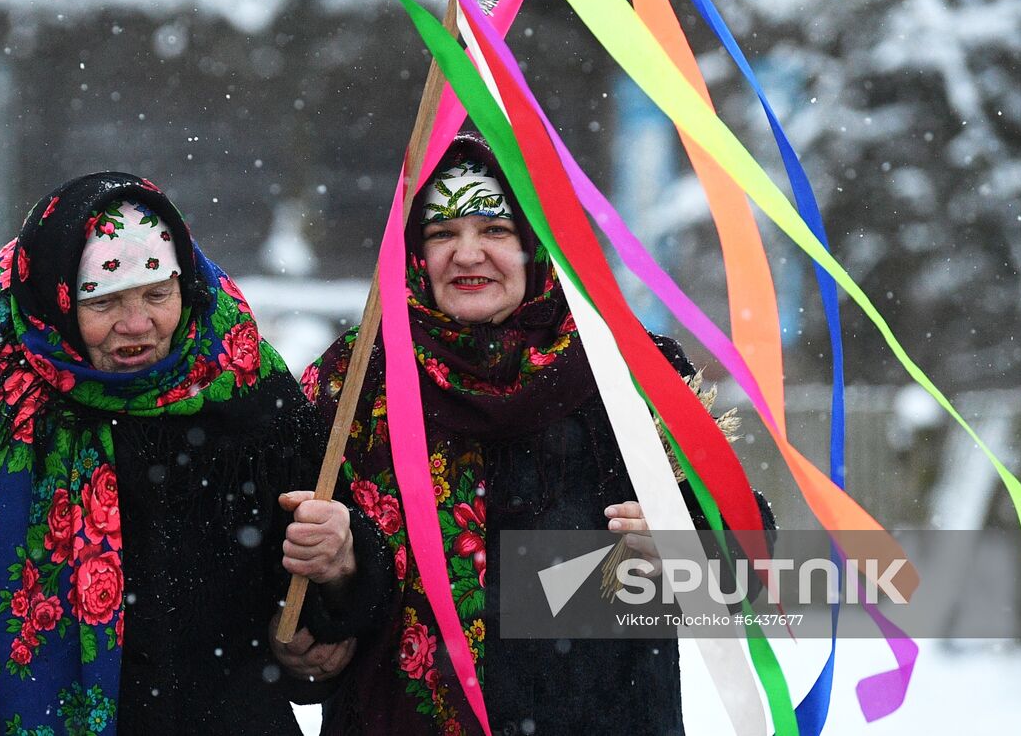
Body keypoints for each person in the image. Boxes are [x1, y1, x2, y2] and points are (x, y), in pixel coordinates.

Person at [0, 172, 390, 736]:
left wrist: (337, 582)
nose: (138, 323)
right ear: (57, 300)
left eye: (157, 294)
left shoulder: (237, 382)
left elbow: (315, 596)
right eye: (105, 300)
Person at [286, 134, 773, 735]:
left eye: (495, 230)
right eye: (442, 234)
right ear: (411, 252)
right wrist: (329, 590)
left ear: (536, 242)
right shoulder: (353, 382)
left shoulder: (630, 372)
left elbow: (752, 564)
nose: (467, 255)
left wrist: (691, 545)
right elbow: (292, 599)